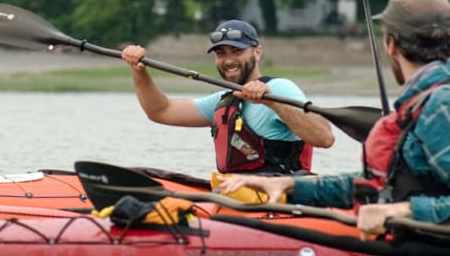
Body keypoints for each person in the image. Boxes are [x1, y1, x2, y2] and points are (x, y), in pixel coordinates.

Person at [218, 0, 450, 235]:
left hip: (442, 249)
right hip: (420, 240)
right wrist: (290, 186)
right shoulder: (426, 100)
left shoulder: (444, 105)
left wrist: (400, 211)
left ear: (391, 44)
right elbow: (379, 185)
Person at [120, 19, 335, 179]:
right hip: (237, 199)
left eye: (236, 51)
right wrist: (139, 71)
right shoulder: (224, 101)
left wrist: (272, 102)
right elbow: (160, 111)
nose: (229, 60)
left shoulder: (280, 89)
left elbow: (324, 138)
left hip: (279, 201)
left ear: (257, 52)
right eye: (221, 53)